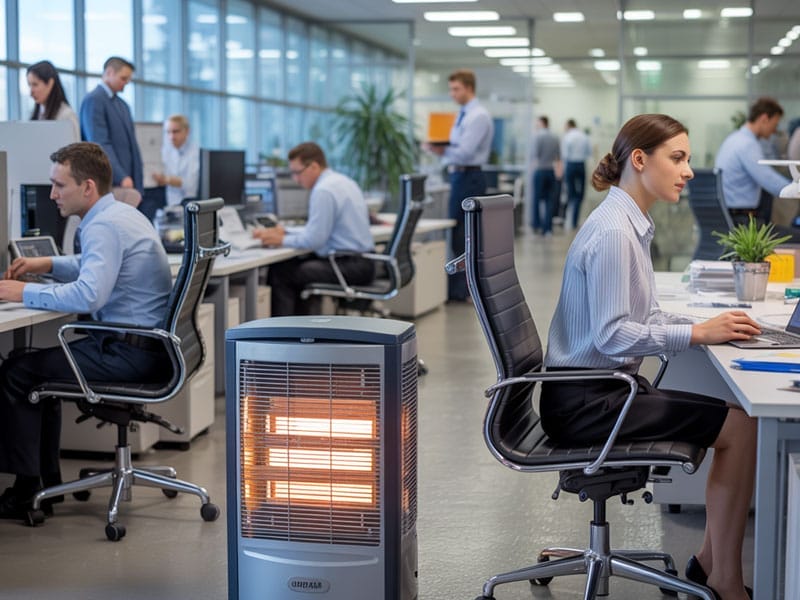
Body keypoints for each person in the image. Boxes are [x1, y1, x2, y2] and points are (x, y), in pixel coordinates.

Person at [541, 114, 757, 600]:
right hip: (587, 403)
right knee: (742, 428)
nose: (688, 171)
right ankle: (722, 578)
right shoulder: (615, 233)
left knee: (739, 421)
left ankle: (709, 563)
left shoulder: (628, 221)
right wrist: (697, 333)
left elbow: (642, 316)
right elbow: (613, 336)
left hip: (597, 390)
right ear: (639, 160)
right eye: (677, 158)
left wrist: (702, 327)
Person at [0, 142, 173, 520]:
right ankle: (43, 485)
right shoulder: (122, 215)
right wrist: (48, 263)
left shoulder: (103, 225)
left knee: (17, 372)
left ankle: (26, 491)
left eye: (60, 185)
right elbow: (96, 263)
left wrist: (20, 292)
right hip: (148, 348)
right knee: (32, 367)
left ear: (88, 187)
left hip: (128, 354)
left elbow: (89, 295)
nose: (52, 194)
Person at [252, 142, 375, 316]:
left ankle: (285, 331)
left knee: (281, 272)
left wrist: (281, 240)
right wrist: (286, 232)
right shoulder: (343, 181)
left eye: (297, 172)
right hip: (363, 262)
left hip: (349, 266)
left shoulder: (323, 190)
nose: (296, 179)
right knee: (295, 267)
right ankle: (302, 327)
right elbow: (319, 230)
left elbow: (315, 240)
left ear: (314, 166)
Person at [427, 69, 493, 302]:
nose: (452, 93)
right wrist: (441, 150)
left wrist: (441, 150)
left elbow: (464, 152)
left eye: (456, 89)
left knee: (463, 235)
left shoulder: (478, 116)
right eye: (451, 89)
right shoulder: (462, 115)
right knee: (458, 233)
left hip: (469, 177)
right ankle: (458, 288)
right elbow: (456, 149)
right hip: (459, 176)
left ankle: (464, 290)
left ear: (469, 88)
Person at [715, 97, 790, 226]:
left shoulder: (734, 139)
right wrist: (796, 189)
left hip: (730, 216)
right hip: (742, 221)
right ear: (764, 119)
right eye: (775, 124)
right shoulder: (747, 144)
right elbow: (769, 180)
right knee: (794, 235)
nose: (774, 130)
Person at [79, 56, 144, 193]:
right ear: (109, 72)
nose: (126, 83)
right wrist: (121, 176)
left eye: (128, 80)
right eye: (123, 78)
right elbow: (99, 144)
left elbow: (132, 147)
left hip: (127, 182)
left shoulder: (122, 105)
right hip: (110, 182)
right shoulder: (94, 100)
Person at [153, 114, 200, 207]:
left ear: (187, 131)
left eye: (175, 132)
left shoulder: (196, 152)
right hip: (170, 205)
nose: (171, 137)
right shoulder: (165, 151)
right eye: (168, 132)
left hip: (191, 204)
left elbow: (191, 184)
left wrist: (167, 180)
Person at [26, 60, 80, 141]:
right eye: (29, 85)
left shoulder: (67, 115)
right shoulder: (36, 114)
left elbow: (76, 146)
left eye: (35, 84)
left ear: (50, 83)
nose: (31, 92)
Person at [529, 116, 561, 235]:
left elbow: (535, 154)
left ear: (542, 123)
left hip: (540, 170)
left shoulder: (537, 136)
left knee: (536, 199)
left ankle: (536, 225)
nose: (536, 125)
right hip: (550, 171)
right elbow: (558, 156)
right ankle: (547, 228)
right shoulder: (555, 137)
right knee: (549, 200)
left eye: (538, 123)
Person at [561, 118, 592, 230]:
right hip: (581, 165)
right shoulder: (584, 136)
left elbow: (565, 155)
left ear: (569, 125)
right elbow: (589, 153)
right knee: (580, 194)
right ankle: (574, 220)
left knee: (570, 193)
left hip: (570, 165)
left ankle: (565, 218)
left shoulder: (567, 137)